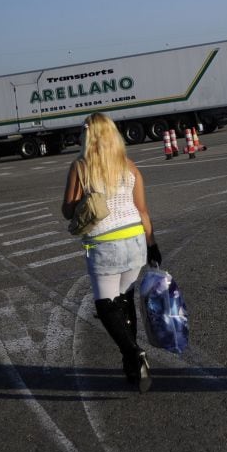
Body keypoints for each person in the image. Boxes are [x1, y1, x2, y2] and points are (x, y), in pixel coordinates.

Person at [62, 113, 160, 392]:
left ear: (88, 136)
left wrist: (83, 201)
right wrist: (153, 244)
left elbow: (67, 210)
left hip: (104, 244)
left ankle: (133, 353)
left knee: (105, 307)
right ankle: (131, 366)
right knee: (124, 301)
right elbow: (142, 210)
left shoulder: (81, 167)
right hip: (135, 241)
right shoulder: (129, 166)